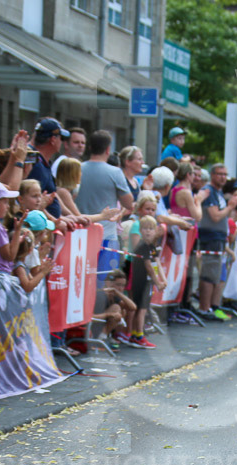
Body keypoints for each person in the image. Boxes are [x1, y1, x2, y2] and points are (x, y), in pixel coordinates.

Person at [78, 130, 133, 276]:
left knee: (81, 281)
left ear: (90, 147)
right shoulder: (115, 172)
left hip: (79, 235)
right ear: (108, 149)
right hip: (106, 237)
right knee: (105, 283)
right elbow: (129, 203)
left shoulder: (77, 169)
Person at [196, 164, 237, 321]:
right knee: (209, 274)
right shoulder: (209, 192)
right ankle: (204, 308)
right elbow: (215, 216)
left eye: (225, 174)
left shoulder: (218, 192)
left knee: (216, 275)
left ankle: (210, 307)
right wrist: (230, 207)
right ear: (212, 175)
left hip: (218, 238)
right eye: (220, 174)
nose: (223, 177)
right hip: (210, 237)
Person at [125, 216, 166, 349]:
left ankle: (135, 334)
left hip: (148, 282)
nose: (148, 231)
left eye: (151, 228)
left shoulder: (151, 246)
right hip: (140, 281)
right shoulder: (142, 246)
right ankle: (139, 336)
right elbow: (148, 266)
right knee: (141, 310)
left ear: (156, 231)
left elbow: (156, 262)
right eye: (145, 228)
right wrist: (158, 282)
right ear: (140, 230)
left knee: (142, 309)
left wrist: (163, 279)